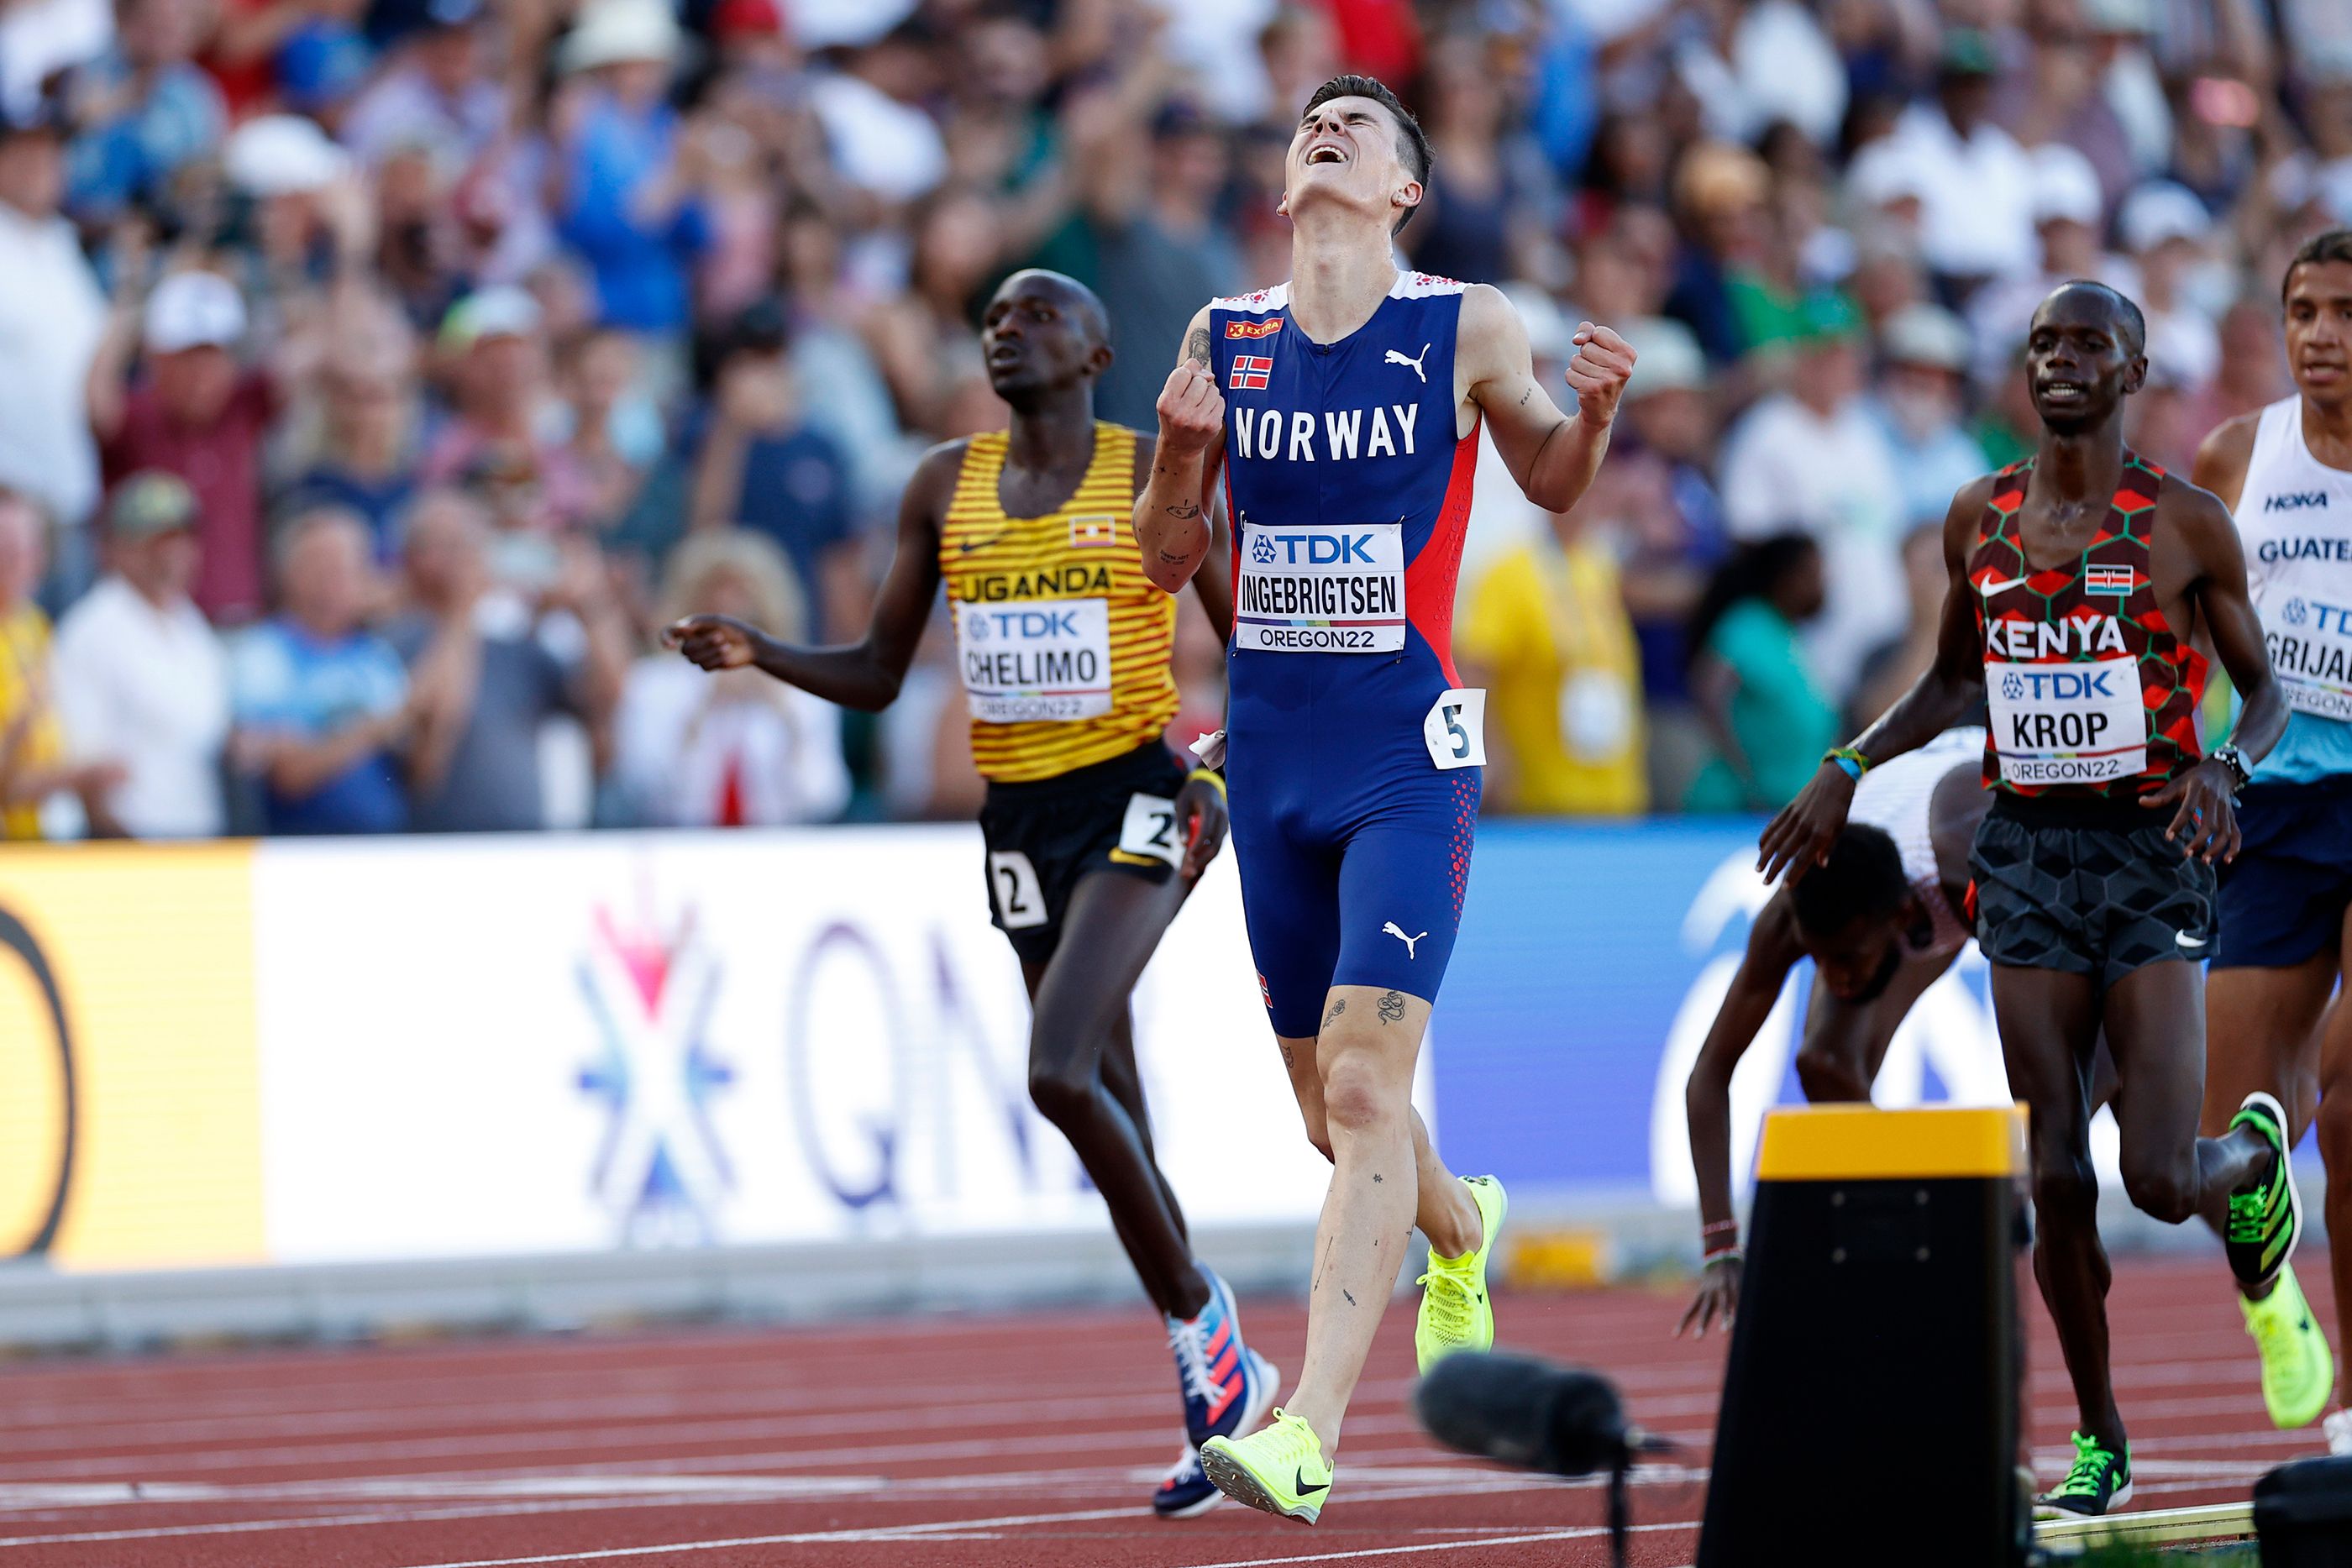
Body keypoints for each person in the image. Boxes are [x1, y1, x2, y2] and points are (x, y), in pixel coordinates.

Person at [668, 269, 1272, 1519]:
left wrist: (1247, 751)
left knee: (1056, 1073)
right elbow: (885, 673)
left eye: (1039, 313)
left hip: (1142, 791)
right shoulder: (944, 484)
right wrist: (759, 649)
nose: (1010, 329)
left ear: (1100, 347)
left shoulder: (1152, 469)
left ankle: (1203, 1314)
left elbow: (1252, 629)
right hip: (1019, 820)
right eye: (994, 318)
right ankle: (1216, 1391)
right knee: (1117, 1102)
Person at [1134, 74, 1637, 1523]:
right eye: (1311, 124)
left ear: (1404, 190)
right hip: (1275, 760)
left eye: (1361, 125)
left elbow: (1548, 478)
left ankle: (1306, 1432)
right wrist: (1178, 456)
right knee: (1327, 1112)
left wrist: (1593, 416)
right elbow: (1170, 562)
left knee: (1366, 1085)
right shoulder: (1223, 337)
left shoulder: (1464, 324)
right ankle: (1461, 1226)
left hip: (1407, 759)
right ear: (1291, 186)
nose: (1328, 128)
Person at [1761, 280, 2298, 1519]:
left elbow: (2262, 693)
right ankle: (2101, 1436)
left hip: (2153, 855)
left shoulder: (2185, 524)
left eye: (2088, 345)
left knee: (2158, 1175)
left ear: (2133, 371)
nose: (2061, 361)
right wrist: (1848, 766)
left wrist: (2227, 762)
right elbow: (1955, 684)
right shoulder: (1979, 519)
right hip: (2026, 859)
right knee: (2053, 1169)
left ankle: (2252, 1159)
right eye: (2045, 343)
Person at [2187, 228, 2352, 1446]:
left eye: (2345, 313)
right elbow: (2182, 636)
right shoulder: (2240, 456)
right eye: (2303, 311)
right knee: (2226, 1141)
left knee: (2346, 1104)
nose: (2321, 336)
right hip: (2274, 804)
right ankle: (2277, 1308)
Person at [1680, 727, 1987, 1337]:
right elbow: (1707, 1077)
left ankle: (1928, 1233)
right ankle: (1901, 1239)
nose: (1836, 980)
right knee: (1825, 1064)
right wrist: (1721, 1245)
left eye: (1846, 958)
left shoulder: (1969, 868)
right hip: (1891, 847)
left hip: (1972, 808)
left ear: (1899, 921)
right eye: (1822, 960)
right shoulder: (1794, 920)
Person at [617, 529, 849, 827]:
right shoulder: (654, 684)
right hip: (682, 848)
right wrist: (701, 711)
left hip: (778, 848)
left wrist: (784, 716)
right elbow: (641, 789)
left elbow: (825, 797)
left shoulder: (804, 686)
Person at [49, 470, 229, 838]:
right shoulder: (91, 631)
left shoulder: (190, 623)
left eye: (182, 538)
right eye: (155, 540)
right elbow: (82, 764)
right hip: (130, 845)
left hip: (198, 838)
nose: (172, 552)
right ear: (117, 547)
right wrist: (121, 849)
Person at [229, 506, 416, 835]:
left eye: (349, 567)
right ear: (290, 574)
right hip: (300, 855)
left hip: (383, 851)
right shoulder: (261, 653)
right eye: (323, 567)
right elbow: (289, 773)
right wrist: (379, 726)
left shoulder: (376, 657)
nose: (337, 580)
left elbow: (416, 767)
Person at [1683, 533, 1837, 813]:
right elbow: (1709, 691)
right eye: (1812, 572)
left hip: (1783, 805)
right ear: (1785, 577)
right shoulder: (1749, 622)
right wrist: (1745, 774)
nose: (1822, 583)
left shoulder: (1788, 633)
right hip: (1737, 808)